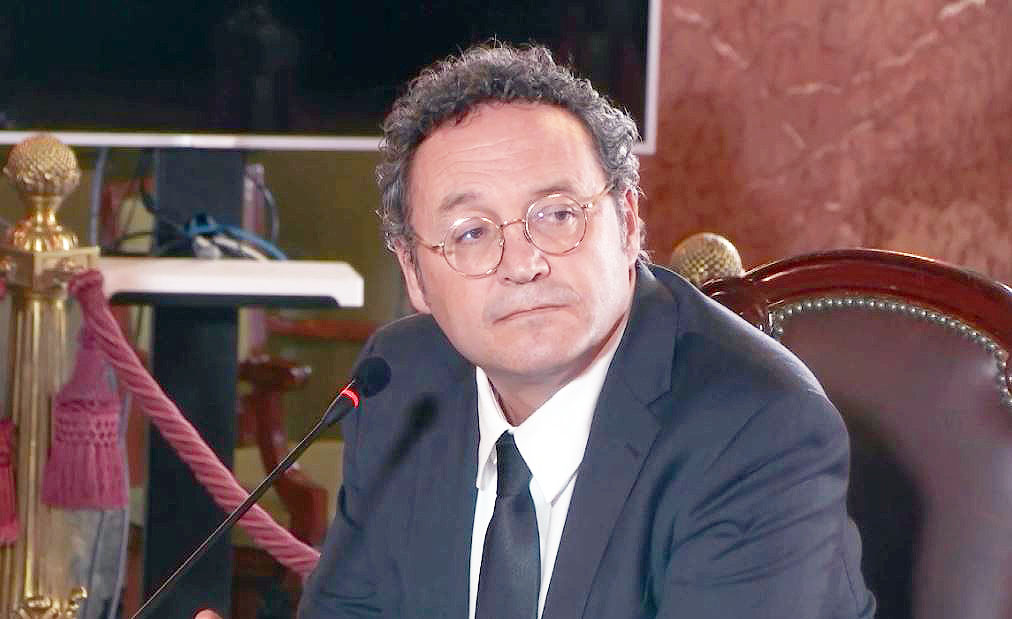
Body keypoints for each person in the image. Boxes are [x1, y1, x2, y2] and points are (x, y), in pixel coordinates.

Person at [201, 43, 875, 618]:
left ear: (628, 222)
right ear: (413, 273)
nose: (522, 264)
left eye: (556, 215)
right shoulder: (404, 382)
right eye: (471, 233)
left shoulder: (757, 429)